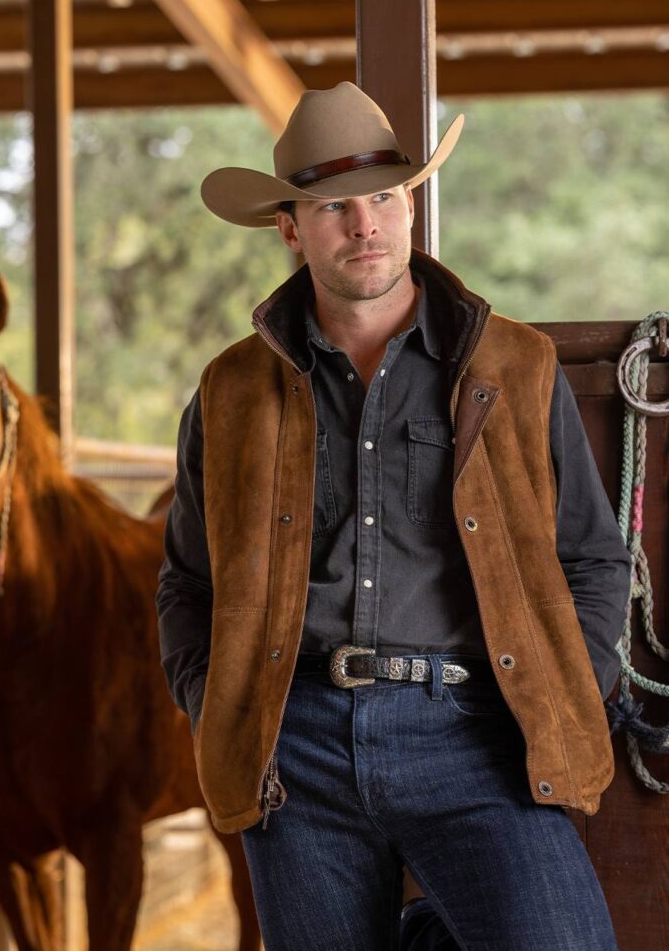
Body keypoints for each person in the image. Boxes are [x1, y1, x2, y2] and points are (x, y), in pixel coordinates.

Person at [156, 81, 630, 950]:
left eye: (382, 196)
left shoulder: (514, 365)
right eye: (332, 207)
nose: (364, 225)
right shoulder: (230, 392)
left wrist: (568, 688)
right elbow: (187, 580)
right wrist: (211, 700)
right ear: (291, 229)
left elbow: (594, 559)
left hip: (478, 735)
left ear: (409, 204)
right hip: (292, 746)